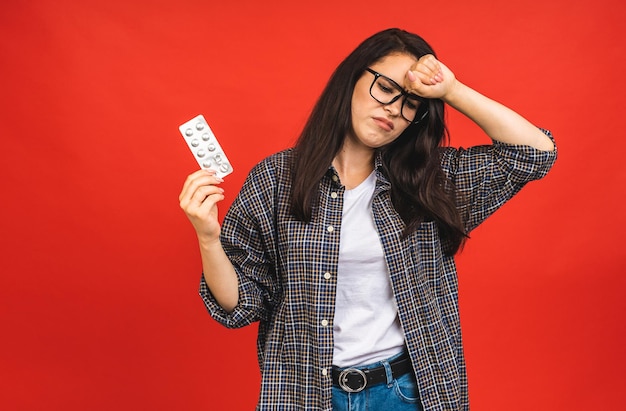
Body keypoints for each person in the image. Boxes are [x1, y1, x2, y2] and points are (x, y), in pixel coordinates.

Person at [179, 28, 557, 411]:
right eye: (386, 88)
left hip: (407, 393)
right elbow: (242, 304)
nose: (394, 108)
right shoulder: (276, 180)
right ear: (352, 78)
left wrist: (451, 90)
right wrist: (208, 238)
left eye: (411, 102)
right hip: (308, 395)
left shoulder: (429, 181)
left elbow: (536, 154)